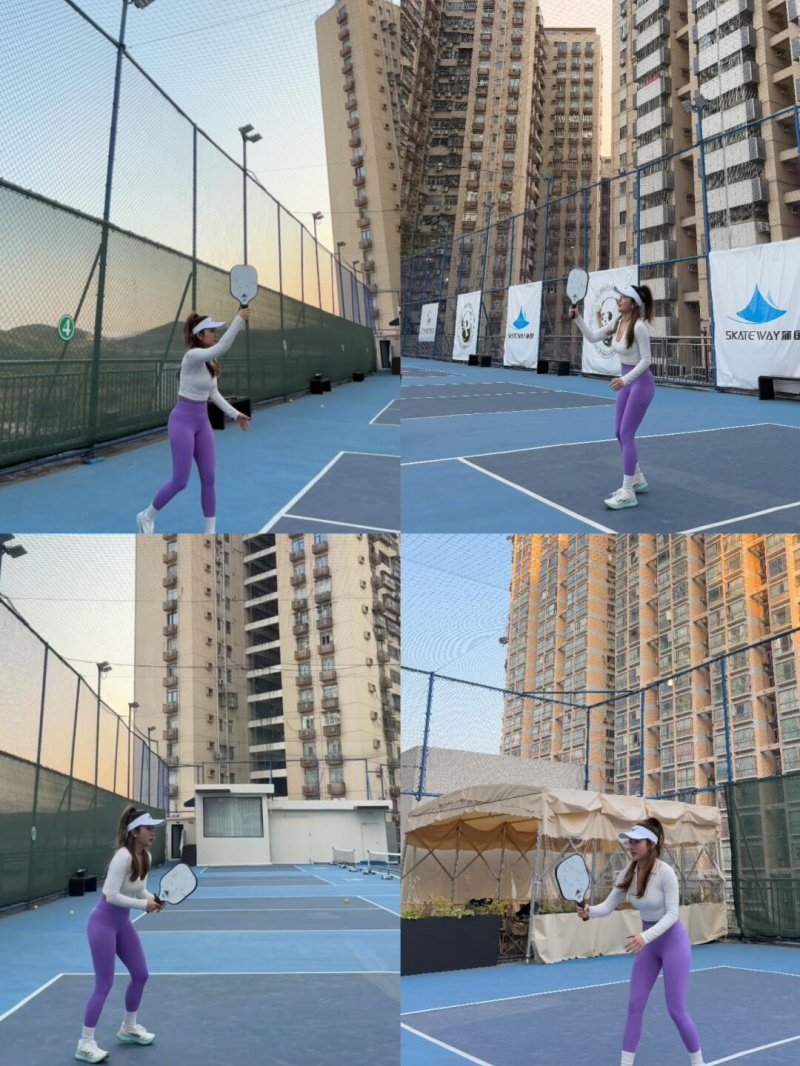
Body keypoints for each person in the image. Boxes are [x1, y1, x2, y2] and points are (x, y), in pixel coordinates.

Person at [577, 818, 705, 1066]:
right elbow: (608, 906)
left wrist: (644, 937)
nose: (631, 846)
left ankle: (698, 1063)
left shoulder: (666, 874)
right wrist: (589, 911)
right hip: (648, 946)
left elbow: (673, 915)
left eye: (637, 841)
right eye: (630, 841)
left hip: (673, 944)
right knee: (635, 1006)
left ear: (651, 844)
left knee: (676, 1010)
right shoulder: (628, 872)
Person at [136, 308, 252, 535]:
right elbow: (222, 347)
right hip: (182, 422)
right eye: (211, 331)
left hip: (202, 423)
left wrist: (235, 414)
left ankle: (210, 531)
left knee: (209, 478)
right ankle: (147, 516)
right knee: (180, 481)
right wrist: (239, 319)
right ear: (199, 335)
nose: (216, 334)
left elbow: (213, 393)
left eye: (216, 331)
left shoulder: (210, 361)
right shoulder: (192, 357)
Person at [75, 807, 166, 1064]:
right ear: (135, 831)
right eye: (148, 828)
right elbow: (111, 894)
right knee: (104, 984)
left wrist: (153, 899)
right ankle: (85, 1043)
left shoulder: (145, 856)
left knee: (141, 974)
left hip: (122, 924)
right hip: (102, 924)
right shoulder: (122, 857)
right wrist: (143, 905)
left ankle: (128, 1027)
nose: (153, 833)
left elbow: (139, 890)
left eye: (154, 829)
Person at [569, 285, 655, 510]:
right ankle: (637, 478)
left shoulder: (639, 327)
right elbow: (592, 337)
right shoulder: (617, 321)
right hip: (626, 383)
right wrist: (578, 318)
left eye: (624, 297)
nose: (619, 299)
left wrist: (625, 380)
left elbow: (646, 361)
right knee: (619, 432)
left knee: (627, 434)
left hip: (641, 384)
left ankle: (628, 492)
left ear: (633, 303)